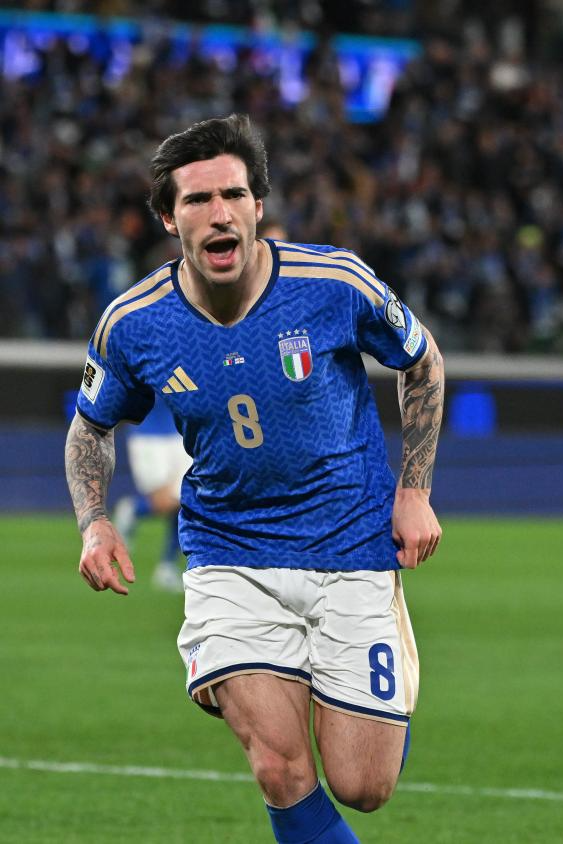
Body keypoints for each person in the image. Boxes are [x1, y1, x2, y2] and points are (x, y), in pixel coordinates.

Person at [65, 113, 445, 844]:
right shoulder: (134, 323)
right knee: (278, 767)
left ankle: (378, 702)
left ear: (258, 206)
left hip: (350, 545)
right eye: (197, 200)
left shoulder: (333, 283)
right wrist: (94, 521)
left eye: (233, 195)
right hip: (229, 556)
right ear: (169, 218)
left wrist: (415, 490)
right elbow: (90, 426)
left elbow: (422, 360)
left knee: (363, 786)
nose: (219, 213)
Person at [112, 394, 191, 591]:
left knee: (186, 500)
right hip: (147, 436)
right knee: (169, 500)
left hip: (179, 434)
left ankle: (167, 566)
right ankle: (134, 510)